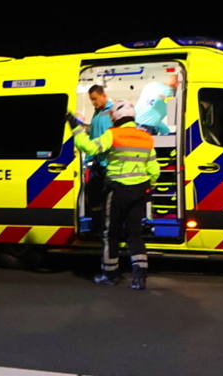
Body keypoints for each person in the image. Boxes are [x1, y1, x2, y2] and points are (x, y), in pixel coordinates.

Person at [68, 101, 160, 290]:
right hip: (139, 191)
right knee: (135, 234)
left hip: (117, 191)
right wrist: (148, 187)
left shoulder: (113, 134)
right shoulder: (146, 138)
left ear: (116, 117)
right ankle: (140, 277)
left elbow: (91, 149)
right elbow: (154, 169)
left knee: (111, 234)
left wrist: (76, 129)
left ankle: (110, 274)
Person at [84, 84, 114, 235]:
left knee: (107, 200)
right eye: (91, 100)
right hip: (97, 163)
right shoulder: (97, 113)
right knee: (94, 196)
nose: (93, 102)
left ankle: (106, 229)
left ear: (104, 95)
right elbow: (93, 138)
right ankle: (97, 227)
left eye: (95, 99)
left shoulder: (112, 111)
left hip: (108, 163)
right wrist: (87, 161)